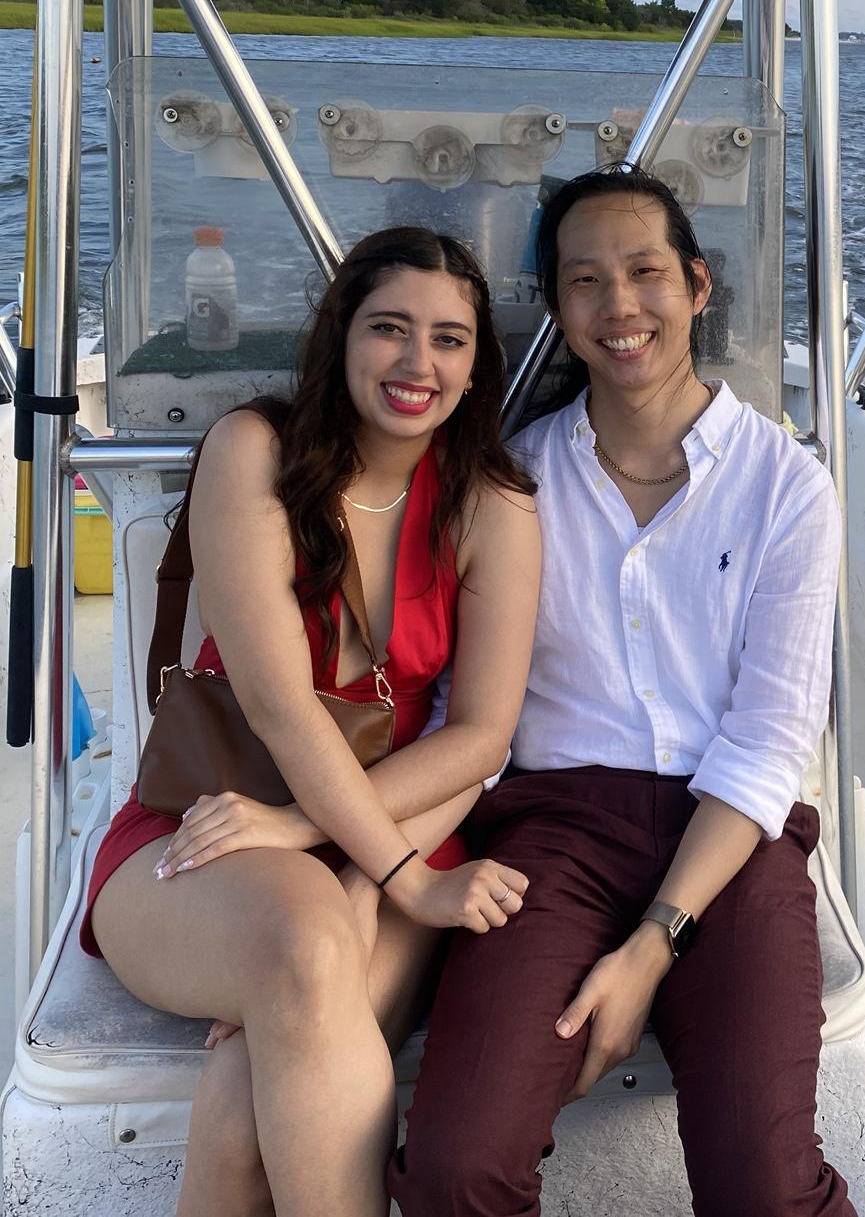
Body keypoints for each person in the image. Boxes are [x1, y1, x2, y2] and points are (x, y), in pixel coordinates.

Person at [390, 168, 855, 1216]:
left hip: (733, 839)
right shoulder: (511, 484)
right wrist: (354, 887)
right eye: (585, 281)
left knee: (765, 1187)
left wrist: (654, 946)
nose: (620, 306)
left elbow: (769, 741)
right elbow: (470, 714)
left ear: (697, 285)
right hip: (551, 838)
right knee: (457, 1166)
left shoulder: (789, 487)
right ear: (557, 310)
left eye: (646, 272)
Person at [82, 227, 542, 1217]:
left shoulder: (490, 508)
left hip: (388, 821)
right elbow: (282, 710)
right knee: (299, 943)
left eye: (451, 340)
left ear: (476, 365)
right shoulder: (256, 451)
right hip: (205, 826)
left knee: (253, 1098)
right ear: (340, 337)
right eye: (390, 329)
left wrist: (346, 851)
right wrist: (407, 883)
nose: (419, 363)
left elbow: (481, 738)